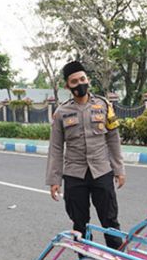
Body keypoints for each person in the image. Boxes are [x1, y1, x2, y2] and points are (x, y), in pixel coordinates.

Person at [45, 61, 126, 249]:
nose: (80, 84)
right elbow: (56, 147)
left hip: (101, 172)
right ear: (67, 86)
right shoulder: (61, 112)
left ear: (88, 80)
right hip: (75, 175)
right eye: (74, 81)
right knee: (80, 226)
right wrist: (54, 179)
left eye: (82, 79)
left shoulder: (104, 105)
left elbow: (113, 139)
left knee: (110, 222)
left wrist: (119, 169)